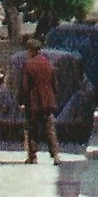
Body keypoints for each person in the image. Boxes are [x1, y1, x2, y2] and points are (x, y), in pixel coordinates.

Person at [19, 37, 60, 165]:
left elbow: (25, 86)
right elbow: (54, 83)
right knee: (50, 129)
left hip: (34, 102)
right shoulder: (48, 63)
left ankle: (33, 156)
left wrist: (21, 102)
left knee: (32, 129)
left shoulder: (28, 65)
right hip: (48, 101)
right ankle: (56, 155)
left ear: (31, 50)